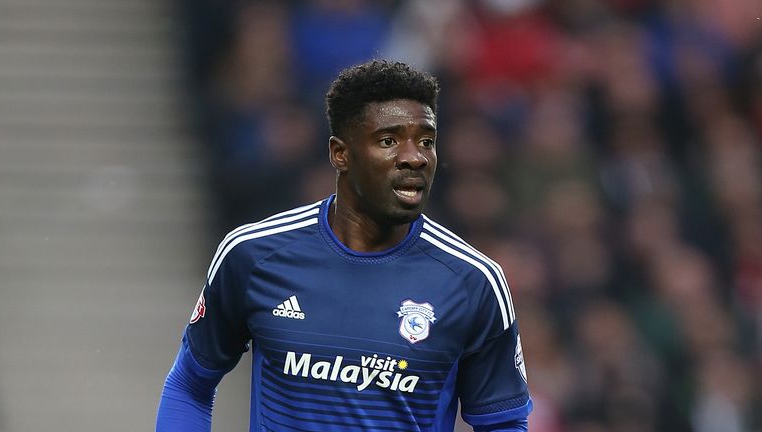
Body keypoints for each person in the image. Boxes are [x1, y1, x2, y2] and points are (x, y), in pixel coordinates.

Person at [156, 60, 533, 431]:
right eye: (389, 140)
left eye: (426, 141)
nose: (414, 157)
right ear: (340, 153)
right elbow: (190, 385)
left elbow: (505, 423)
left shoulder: (474, 281)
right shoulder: (254, 254)